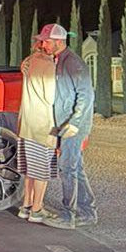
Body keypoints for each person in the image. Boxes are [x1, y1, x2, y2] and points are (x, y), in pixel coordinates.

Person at [35, 24, 98, 230]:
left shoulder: (72, 62)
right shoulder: (60, 60)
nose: (43, 44)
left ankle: (68, 216)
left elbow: (86, 95)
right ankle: (88, 213)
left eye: (47, 41)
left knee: (67, 168)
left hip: (73, 126)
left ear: (59, 42)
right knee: (76, 168)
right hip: (67, 125)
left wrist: (74, 124)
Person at [16, 41, 59, 223]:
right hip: (43, 125)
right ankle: (37, 209)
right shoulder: (48, 65)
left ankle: (26, 206)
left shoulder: (29, 61)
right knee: (42, 170)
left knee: (30, 169)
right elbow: (50, 98)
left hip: (26, 123)